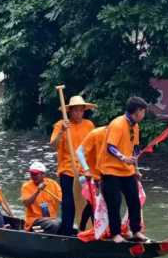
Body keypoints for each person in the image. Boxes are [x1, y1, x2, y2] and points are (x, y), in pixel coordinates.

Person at [100, 97, 148, 243]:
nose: (144, 115)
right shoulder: (118, 124)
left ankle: (136, 231)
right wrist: (123, 158)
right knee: (115, 203)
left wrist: (136, 169)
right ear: (138, 111)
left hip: (127, 171)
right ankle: (116, 234)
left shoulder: (135, 126)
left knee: (134, 201)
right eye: (143, 112)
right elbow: (111, 147)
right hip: (111, 171)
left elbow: (135, 150)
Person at [50, 95, 96, 235]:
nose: (78, 113)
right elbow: (53, 145)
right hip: (67, 170)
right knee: (69, 204)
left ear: (83, 111)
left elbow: (94, 146)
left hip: (85, 171)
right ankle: (66, 232)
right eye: (75, 110)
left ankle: (94, 230)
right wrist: (63, 131)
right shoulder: (61, 124)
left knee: (91, 202)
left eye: (80, 110)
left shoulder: (89, 125)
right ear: (69, 111)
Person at [76, 126, 107, 231]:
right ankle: (90, 229)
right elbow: (79, 152)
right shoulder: (96, 134)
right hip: (88, 177)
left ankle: (95, 229)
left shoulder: (117, 137)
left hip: (102, 177)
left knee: (99, 204)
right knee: (93, 204)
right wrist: (86, 170)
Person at [20, 161, 62, 234]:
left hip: (51, 219)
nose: (33, 176)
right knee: (54, 224)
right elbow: (26, 204)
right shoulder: (26, 186)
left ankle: (43, 234)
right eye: (31, 174)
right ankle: (37, 232)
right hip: (35, 220)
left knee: (64, 223)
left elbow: (61, 200)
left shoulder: (53, 184)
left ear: (43, 174)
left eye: (35, 174)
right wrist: (37, 191)